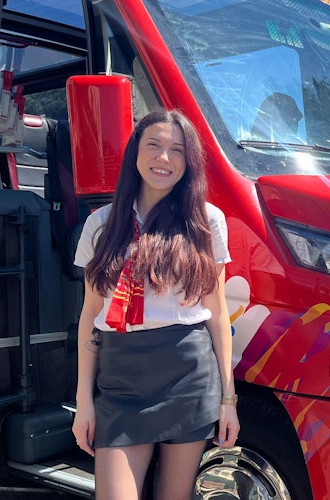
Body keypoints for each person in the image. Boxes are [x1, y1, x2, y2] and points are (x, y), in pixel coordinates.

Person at [72, 108, 240, 500]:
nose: (164, 159)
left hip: (187, 376)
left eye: (177, 150)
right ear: (135, 153)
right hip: (121, 381)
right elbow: (90, 317)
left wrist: (228, 400)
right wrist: (84, 402)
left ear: (189, 161)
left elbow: (216, 315)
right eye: (154, 146)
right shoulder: (101, 223)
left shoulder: (205, 221)